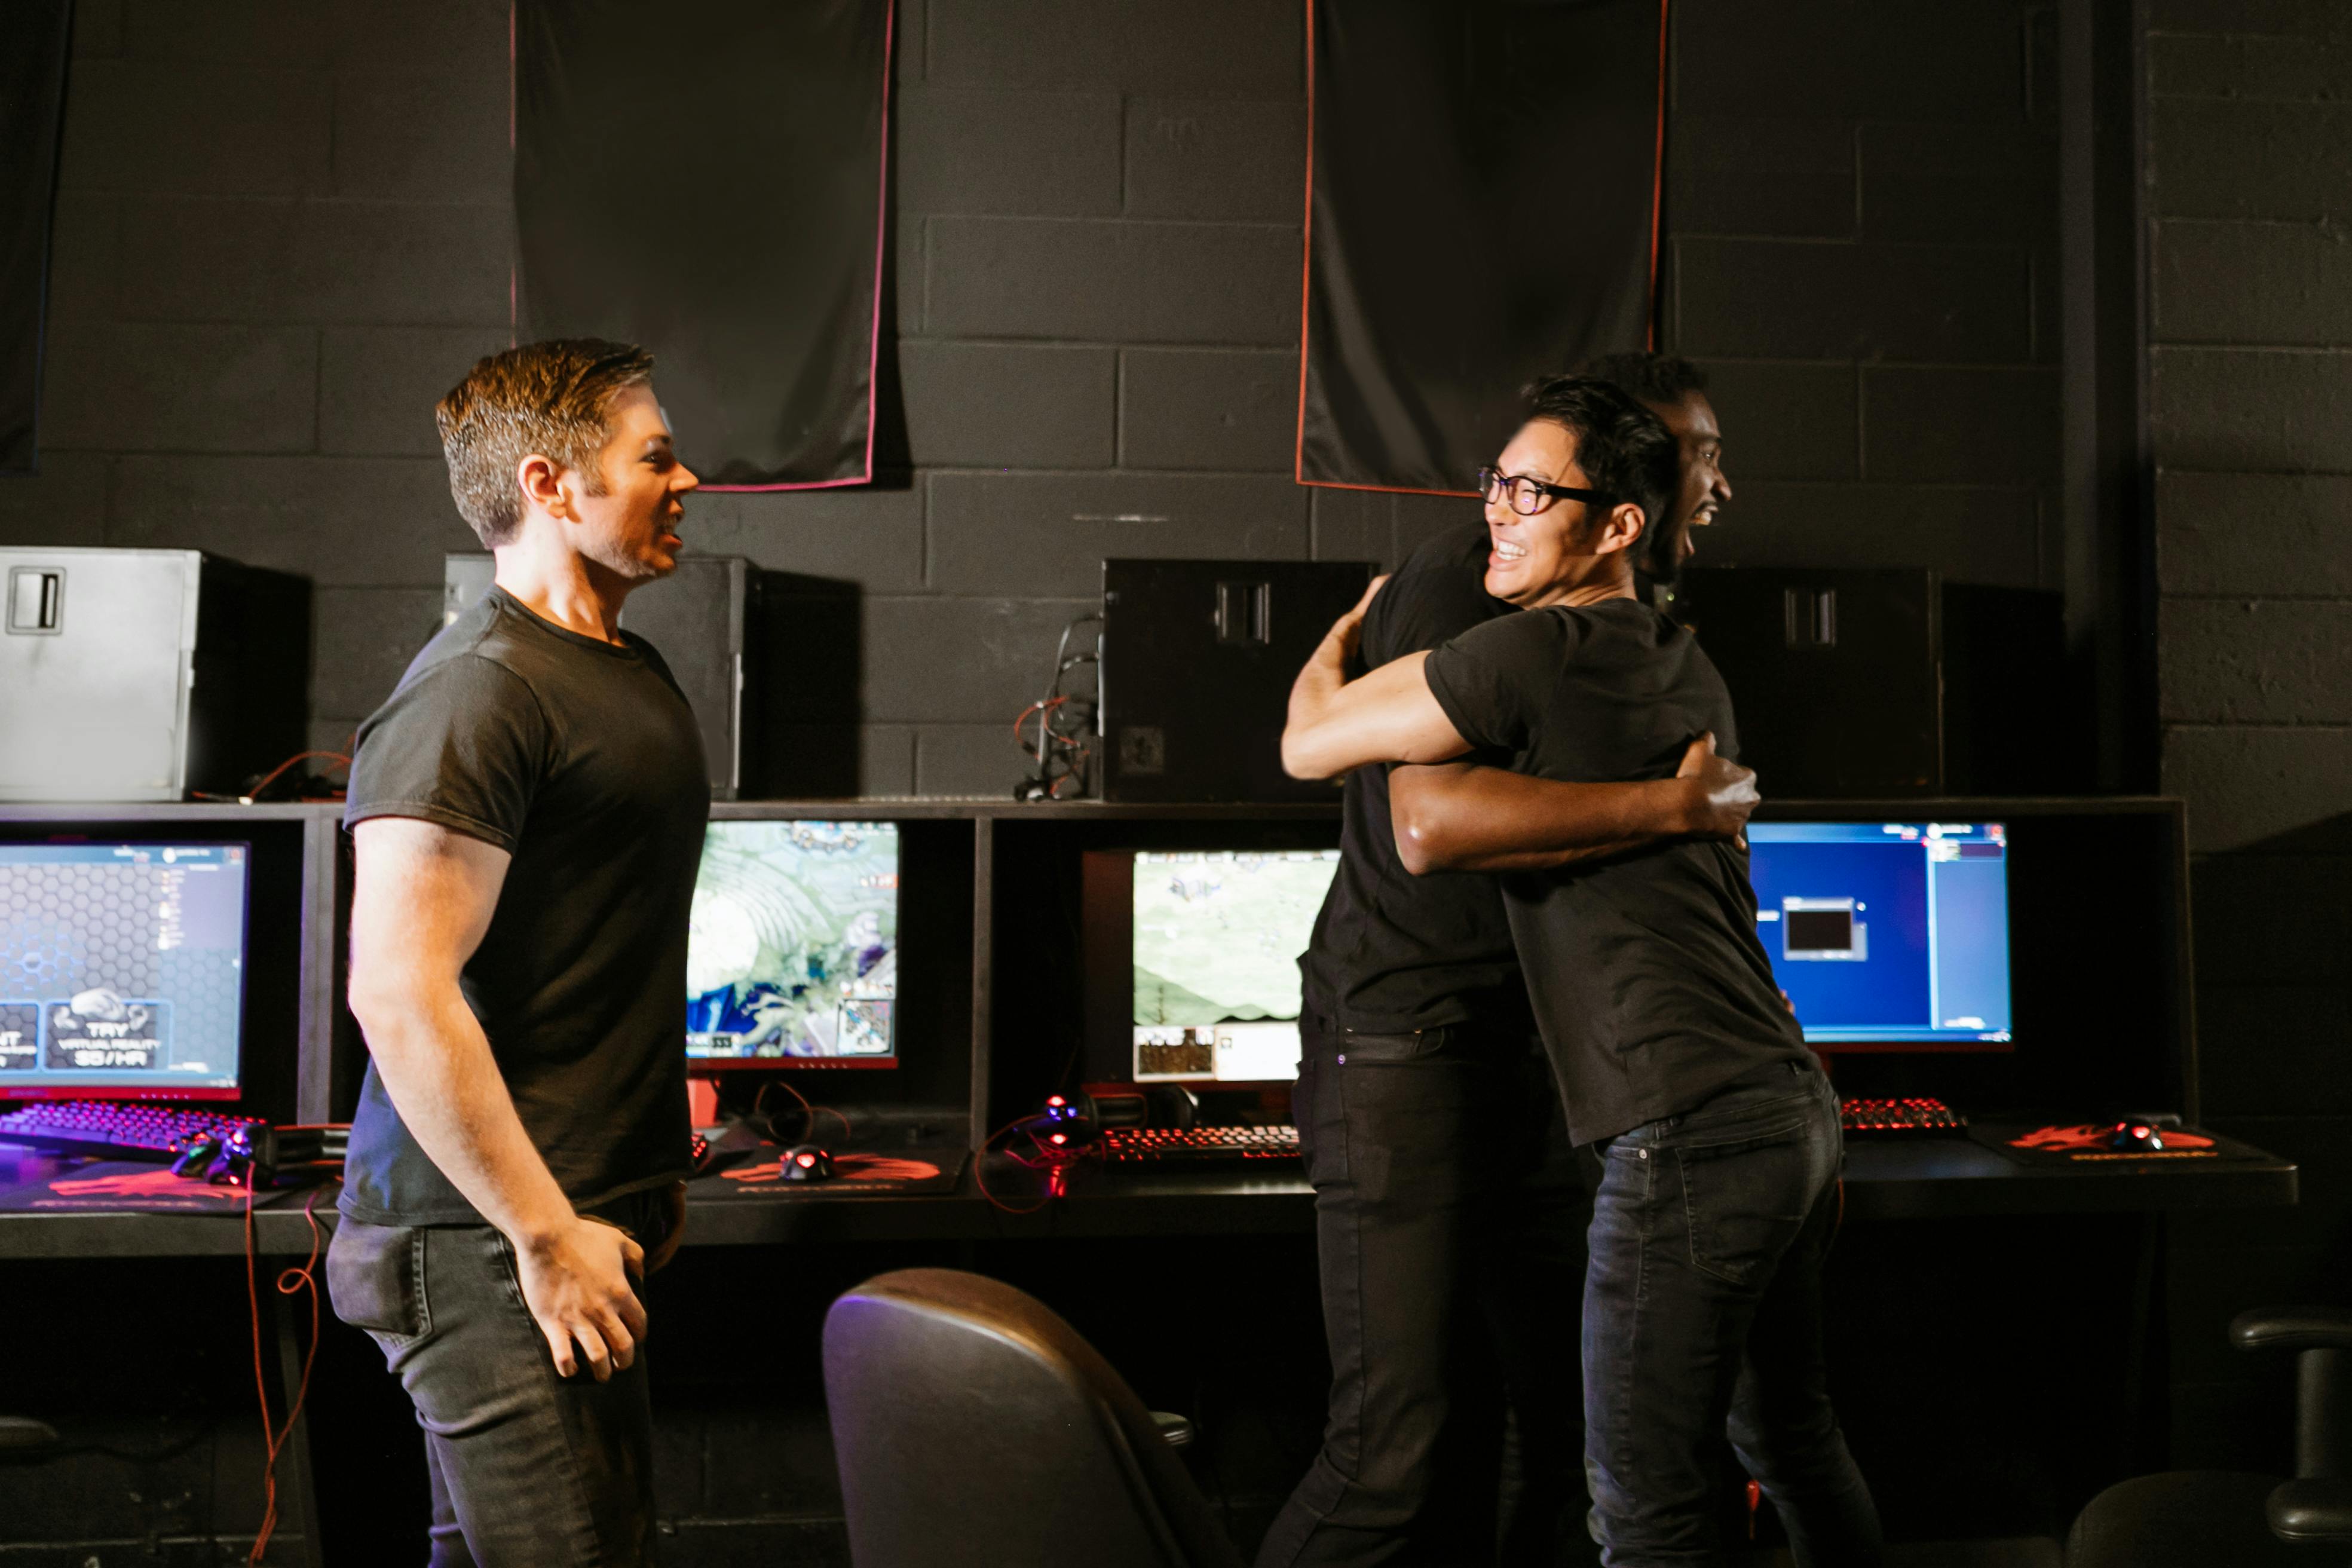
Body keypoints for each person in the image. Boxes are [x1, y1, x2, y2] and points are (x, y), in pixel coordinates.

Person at [1282, 376, 1881, 1568]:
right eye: (1495, 485)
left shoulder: (1529, 647)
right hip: (1789, 1104)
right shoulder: (1680, 656)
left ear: (1616, 516)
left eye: (1530, 491)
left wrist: (1334, 649)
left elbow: (1358, 775)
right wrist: (1669, 806)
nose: (1496, 515)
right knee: (1785, 1437)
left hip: (1680, 1123)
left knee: (1644, 1501)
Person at [326, 338, 708, 1566]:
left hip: (570, 1216)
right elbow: (397, 986)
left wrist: (644, 1170)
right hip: (486, 1237)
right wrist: (544, 1233)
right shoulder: (477, 691)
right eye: (653, 457)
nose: (686, 477)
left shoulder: (624, 670)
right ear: (552, 484)